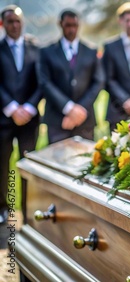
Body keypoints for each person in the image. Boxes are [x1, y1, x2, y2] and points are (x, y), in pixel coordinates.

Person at [0, 5, 41, 223]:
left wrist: (29, 107)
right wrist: (12, 107)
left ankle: (28, 209)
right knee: (2, 165)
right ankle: (4, 209)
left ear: (22, 22)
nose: (14, 25)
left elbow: (41, 81)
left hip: (29, 119)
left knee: (27, 164)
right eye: (10, 22)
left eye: (17, 21)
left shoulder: (35, 47)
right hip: (3, 118)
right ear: (3, 24)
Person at [38, 9, 104, 144]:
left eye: (75, 25)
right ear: (60, 24)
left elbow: (98, 81)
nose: (72, 30)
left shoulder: (91, 51)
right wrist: (68, 108)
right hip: (58, 119)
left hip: (85, 119)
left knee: (85, 162)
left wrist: (79, 110)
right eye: (68, 25)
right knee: (56, 160)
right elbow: (45, 82)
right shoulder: (47, 51)